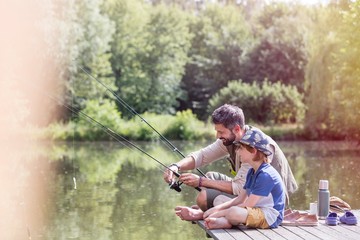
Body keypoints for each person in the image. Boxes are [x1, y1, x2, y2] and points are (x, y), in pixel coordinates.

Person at [163, 104, 297, 221]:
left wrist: (200, 182)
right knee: (210, 177)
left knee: (203, 197)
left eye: (221, 132)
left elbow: (240, 188)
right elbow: (202, 156)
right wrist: (176, 166)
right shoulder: (231, 139)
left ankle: (203, 213)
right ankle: (209, 211)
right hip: (247, 194)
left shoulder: (254, 147)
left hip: (267, 203)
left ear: (237, 129)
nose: (217, 136)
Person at [203, 128, 285, 229]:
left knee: (233, 212)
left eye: (241, 148)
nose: (237, 151)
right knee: (219, 200)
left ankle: (225, 220)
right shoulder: (252, 171)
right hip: (254, 210)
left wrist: (218, 213)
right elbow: (240, 199)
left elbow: (248, 204)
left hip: (269, 216)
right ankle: (226, 221)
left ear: (253, 151)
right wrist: (216, 209)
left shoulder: (265, 175)